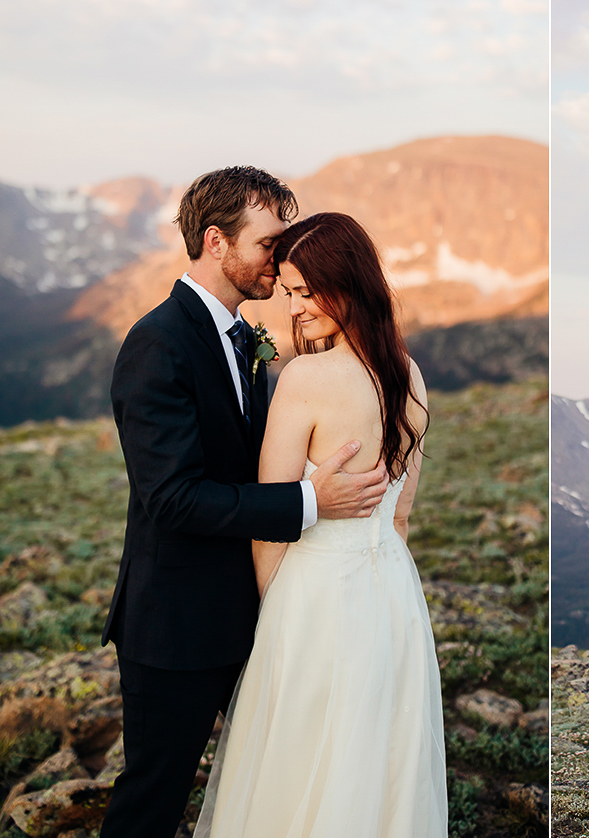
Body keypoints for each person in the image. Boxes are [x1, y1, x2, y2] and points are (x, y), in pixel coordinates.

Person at [100, 168, 389, 838]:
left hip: (256, 616)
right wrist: (308, 502)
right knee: (154, 797)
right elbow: (172, 498)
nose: (281, 258)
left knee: (275, 778)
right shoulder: (158, 343)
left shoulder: (245, 341)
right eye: (268, 243)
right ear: (216, 242)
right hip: (175, 626)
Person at [194, 212, 447, 837]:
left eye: (308, 292)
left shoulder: (305, 378)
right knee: (376, 761)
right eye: (289, 293)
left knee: (295, 760)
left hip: (314, 596)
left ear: (349, 284)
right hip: (392, 596)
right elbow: (403, 515)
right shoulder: (409, 378)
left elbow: (270, 518)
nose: (297, 308)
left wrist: (271, 614)